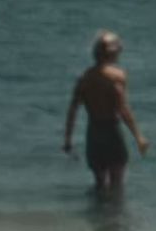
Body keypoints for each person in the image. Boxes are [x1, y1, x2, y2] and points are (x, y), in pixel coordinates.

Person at [63, 31, 151, 194]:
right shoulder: (117, 77)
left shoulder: (85, 78)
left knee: (99, 183)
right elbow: (123, 109)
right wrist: (139, 137)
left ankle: (98, 210)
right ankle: (114, 210)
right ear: (112, 53)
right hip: (111, 131)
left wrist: (68, 140)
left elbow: (72, 110)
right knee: (117, 184)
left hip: (93, 132)